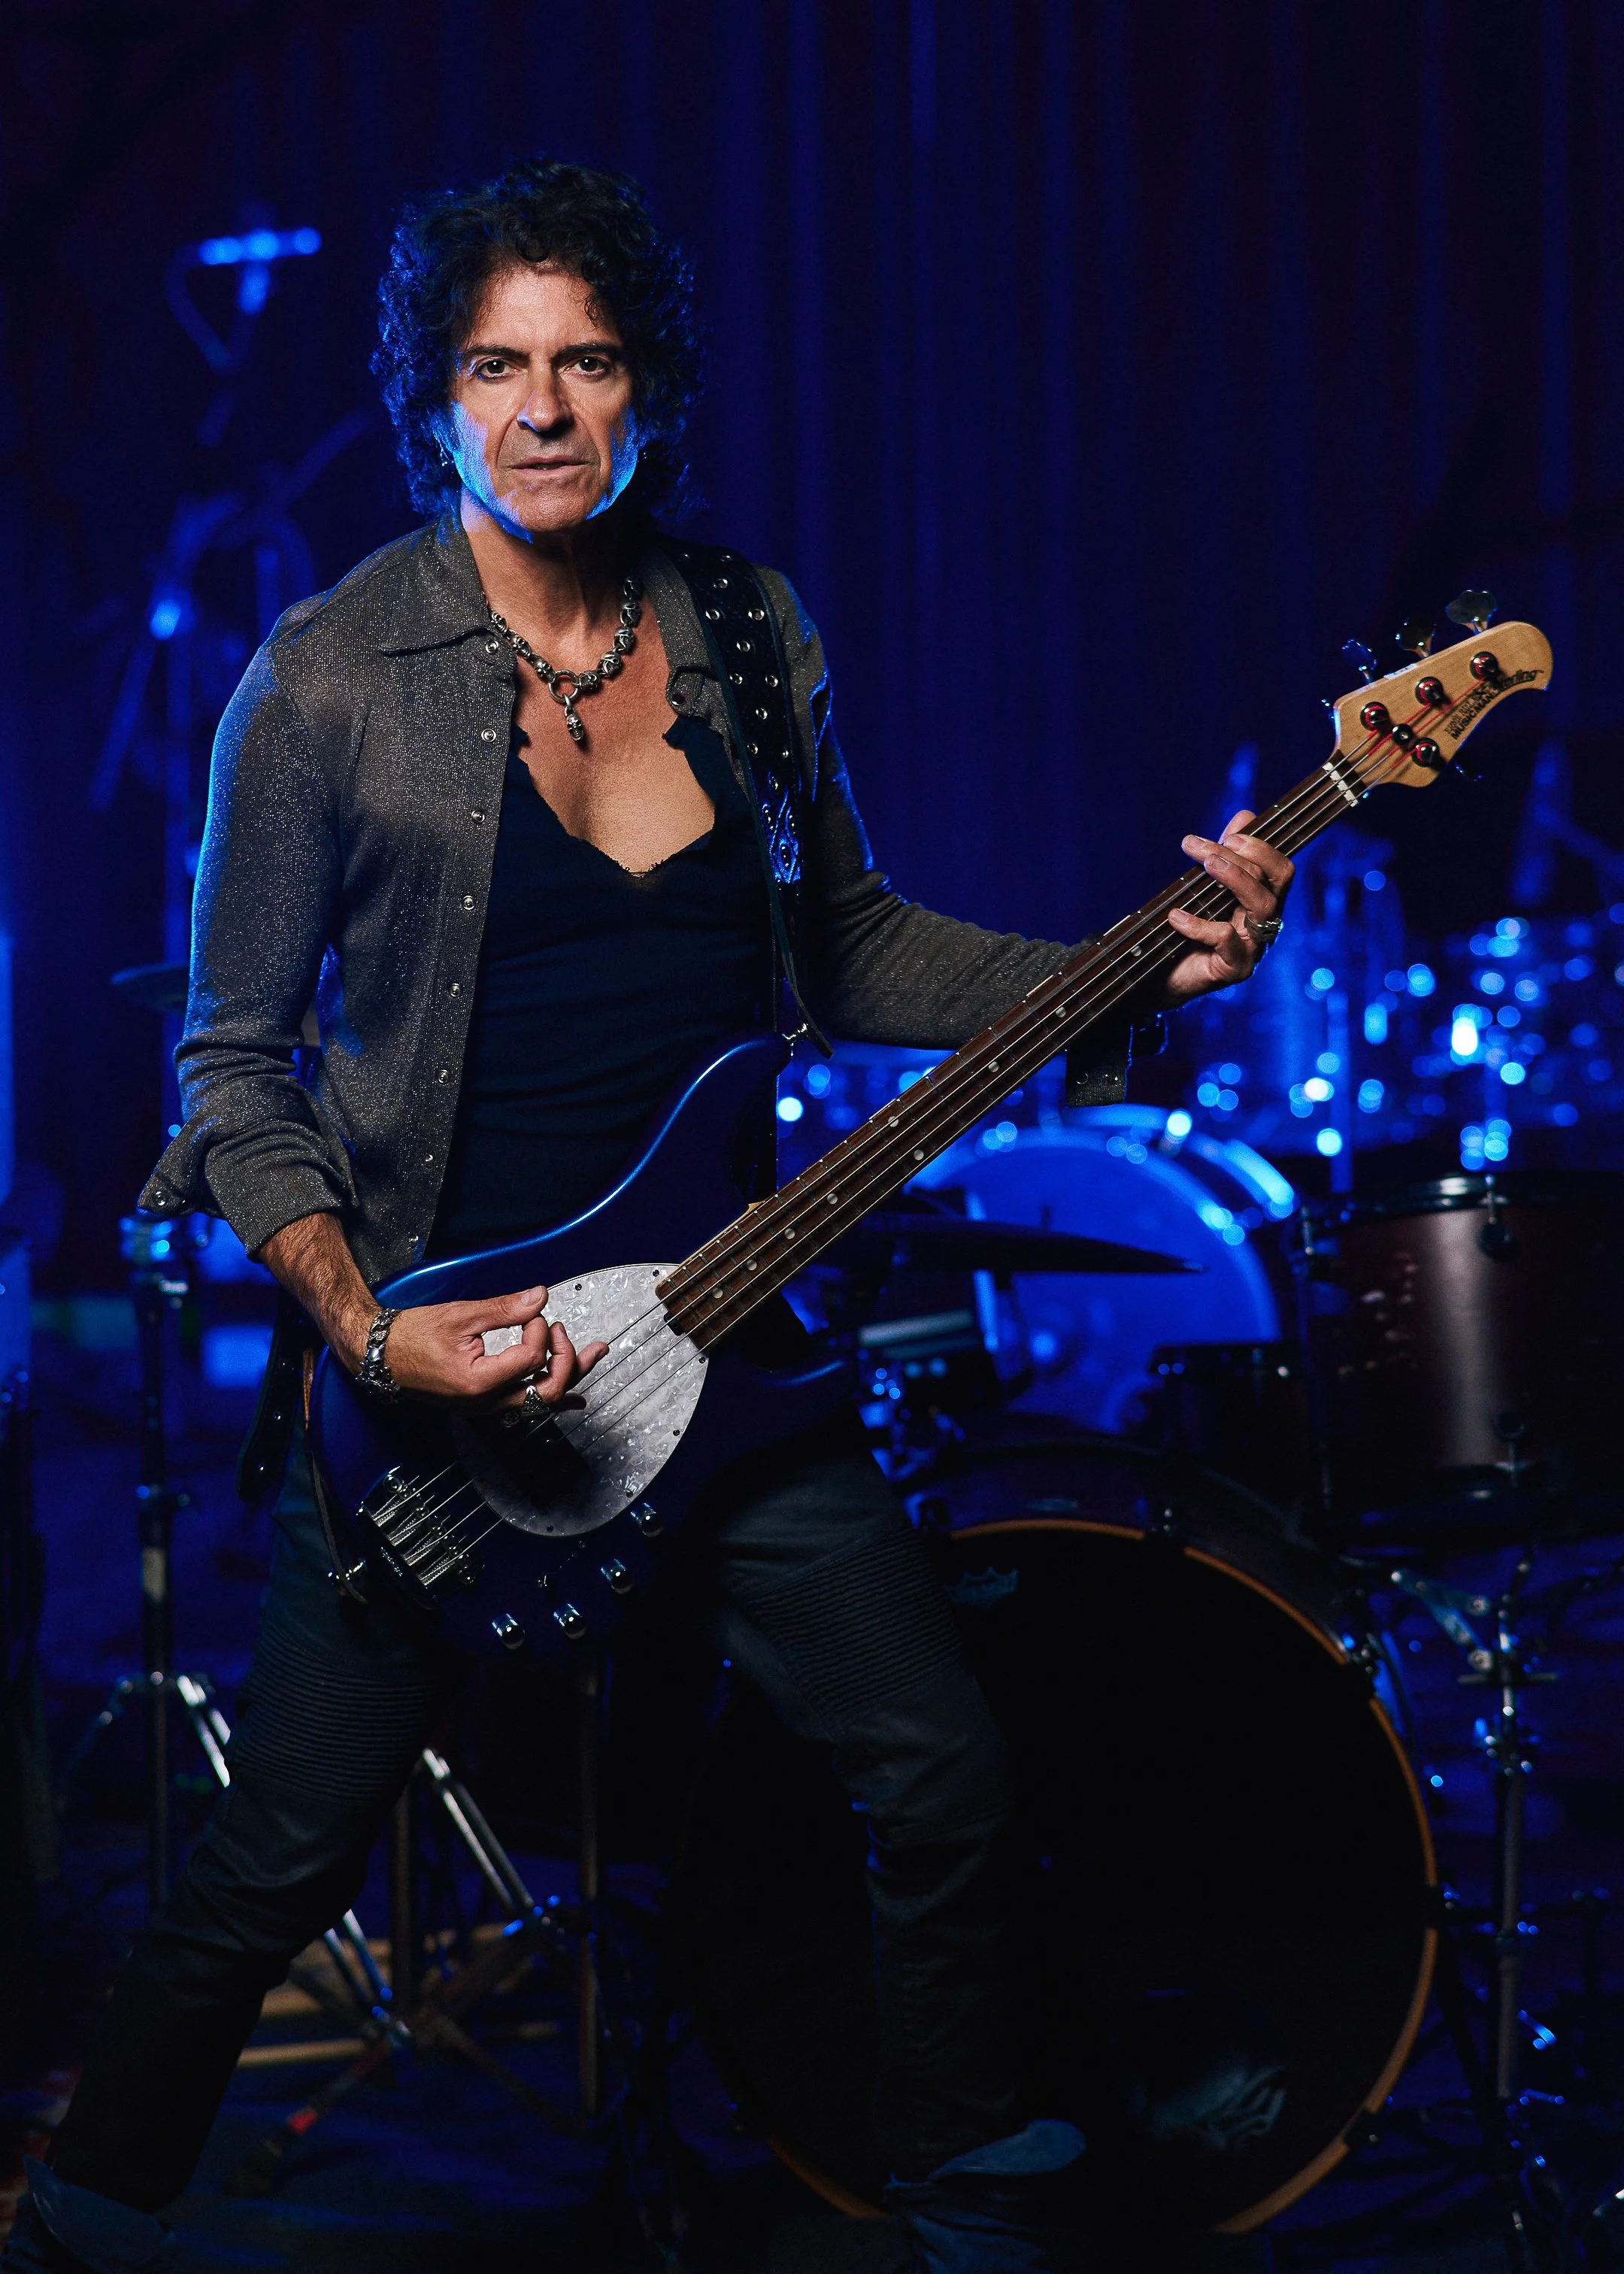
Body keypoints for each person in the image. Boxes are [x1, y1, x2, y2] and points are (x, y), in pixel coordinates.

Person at [8, 158, 1291, 2274]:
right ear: (434, 398)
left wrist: (1140, 955)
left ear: (645, 392)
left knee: (946, 1776)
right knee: (278, 1857)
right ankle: (82, 2211)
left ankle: (971, 2200)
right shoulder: (321, 682)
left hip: (729, 1334)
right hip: (447, 1387)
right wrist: (366, 1330)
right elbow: (227, 1066)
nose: (541, 407)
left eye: (585, 362)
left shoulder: (750, 632)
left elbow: (853, 943)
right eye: (497, 366)